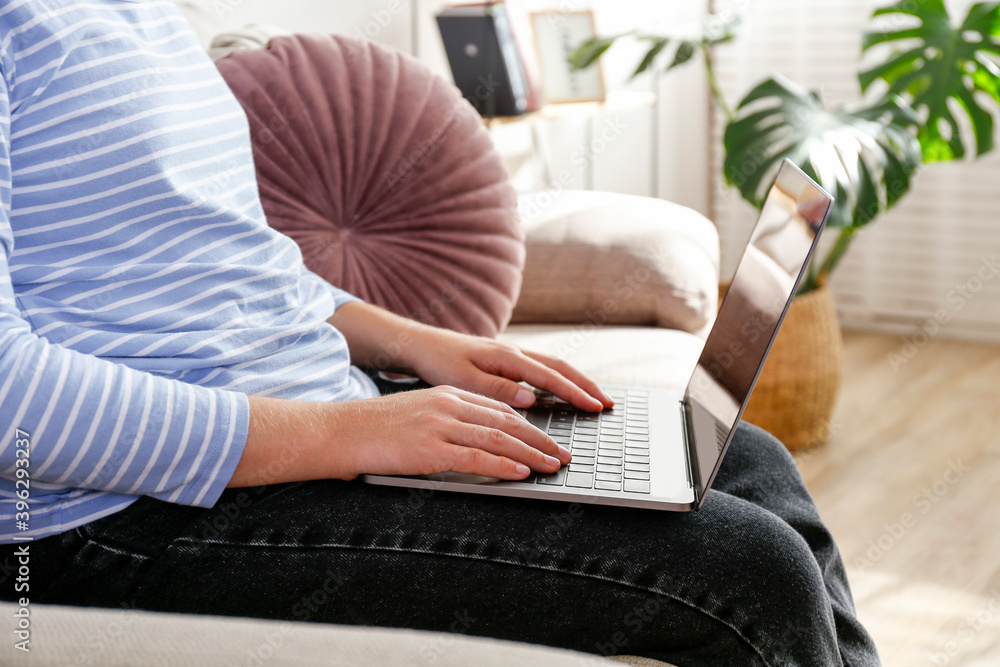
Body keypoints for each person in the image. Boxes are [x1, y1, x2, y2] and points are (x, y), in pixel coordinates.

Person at [0, 2, 880, 665]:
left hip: (309, 420)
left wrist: (417, 345)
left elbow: (239, 267)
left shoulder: (142, 15)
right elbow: (12, 406)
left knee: (751, 458)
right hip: (114, 518)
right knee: (753, 570)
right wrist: (353, 433)